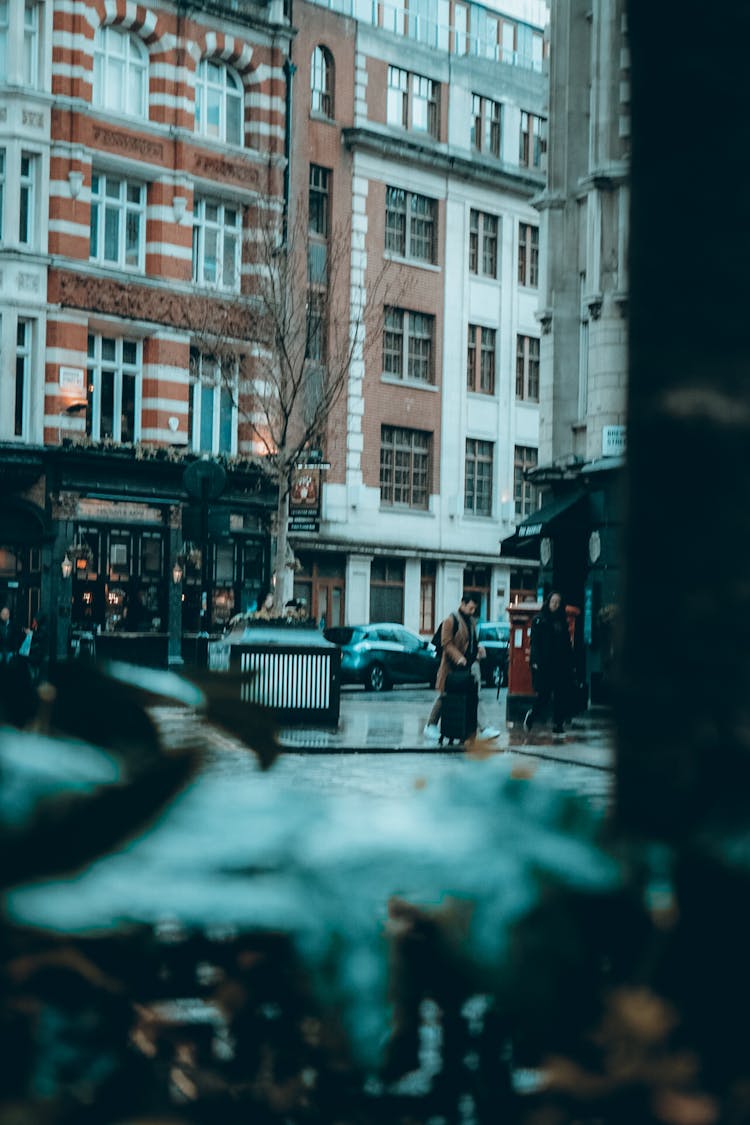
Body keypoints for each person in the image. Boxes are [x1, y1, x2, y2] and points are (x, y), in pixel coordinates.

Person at [423, 592, 500, 743]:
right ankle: (430, 725)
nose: (472, 611)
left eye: (474, 609)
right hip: (451, 667)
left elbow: (472, 642)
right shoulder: (451, 620)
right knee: (444, 696)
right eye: (470, 608)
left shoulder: (471, 622)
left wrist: (478, 650)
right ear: (462, 604)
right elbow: (446, 643)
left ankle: (483, 728)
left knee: (473, 697)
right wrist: (459, 658)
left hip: (468, 666)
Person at [523, 591, 576, 736]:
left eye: (558, 602)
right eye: (553, 602)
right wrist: (535, 662)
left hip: (561, 664)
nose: (555, 605)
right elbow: (535, 643)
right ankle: (531, 716)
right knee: (544, 696)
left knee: (561, 695)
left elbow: (567, 643)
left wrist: (570, 661)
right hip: (545, 663)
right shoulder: (540, 620)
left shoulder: (562, 621)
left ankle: (558, 724)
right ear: (548, 602)